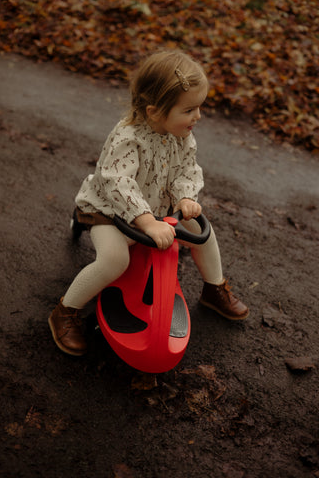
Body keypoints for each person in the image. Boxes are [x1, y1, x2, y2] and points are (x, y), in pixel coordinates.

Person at [48, 50, 249, 356]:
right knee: (115, 260)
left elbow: (187, 169)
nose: (198, 117)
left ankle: (214, 287)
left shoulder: (181, 134)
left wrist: (185, 196)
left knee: (202, 232)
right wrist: (145, 221)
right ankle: (65, 310)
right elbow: (117, 184)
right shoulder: (128, 139)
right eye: (190, 109)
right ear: (155, 111)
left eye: (199, 108)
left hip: (157, 211)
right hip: (111, 212)